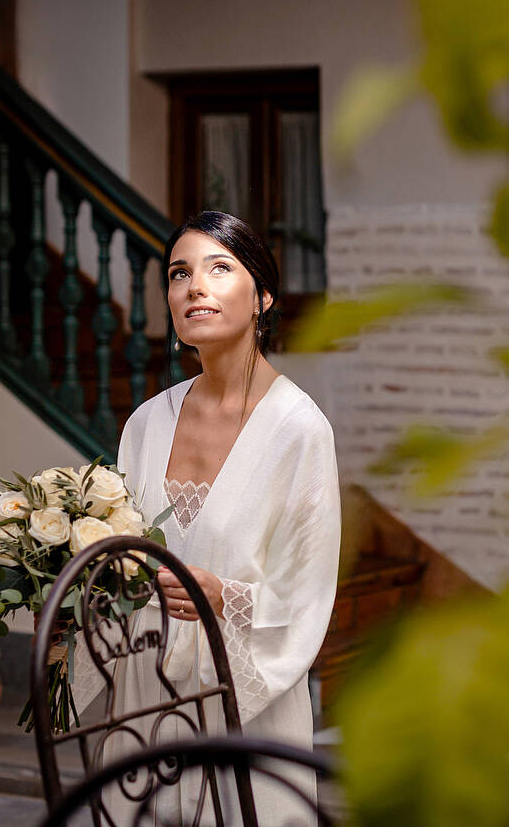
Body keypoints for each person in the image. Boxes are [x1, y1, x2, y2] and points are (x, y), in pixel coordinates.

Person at [108, 210, 340, 825]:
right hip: (147, 701)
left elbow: (307, 592)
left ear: (262, 295)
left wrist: (224, 596)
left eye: (219, 267)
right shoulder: (145, 424)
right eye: (179, 273)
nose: (194, 287)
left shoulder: (298, 431)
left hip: (245, 705)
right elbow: (121, 553)